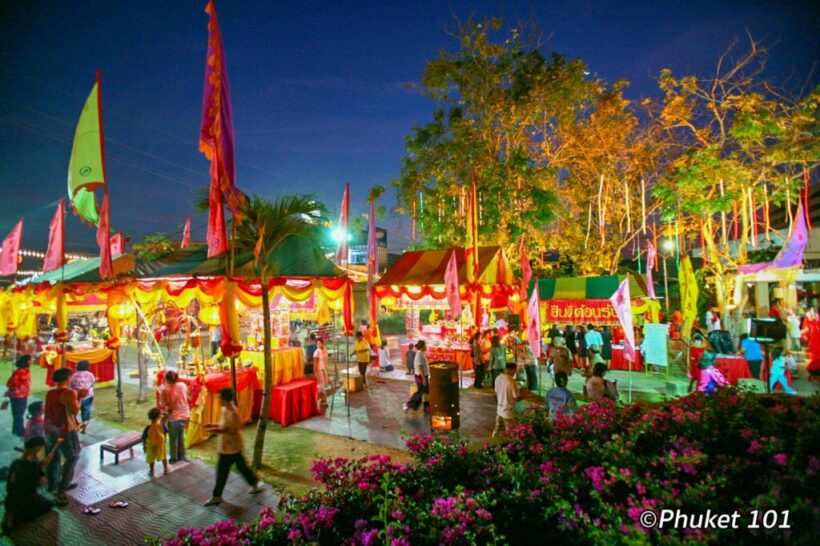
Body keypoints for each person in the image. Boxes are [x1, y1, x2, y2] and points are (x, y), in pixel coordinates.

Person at [204, 388, 263, 506]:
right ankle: (255, 483)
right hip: (229, 447)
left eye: (220, 398)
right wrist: (212, 425)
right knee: (242, 467)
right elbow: (223, 426)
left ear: (225, 400)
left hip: (231, 448)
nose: (218, 400)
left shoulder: (233, 413)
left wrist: (213, 429)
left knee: (222, 472)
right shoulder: (225, 409)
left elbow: (228, 429)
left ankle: (217, 496)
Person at [2, 436, 56, 531]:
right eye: (41, 447)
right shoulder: (33, 466)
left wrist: (41, 465)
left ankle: (11, 513)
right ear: (37, 448)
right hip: (25, 499)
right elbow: (42, 483)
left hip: (10, 499)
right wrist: (43, 468)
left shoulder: (16, 462)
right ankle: (18, 516)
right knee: (49, 505)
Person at [44, 368, 80, 503]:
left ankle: (52, 485)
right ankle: (62, 488)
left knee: (54, 457)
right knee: (72, 457)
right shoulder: (69, 393)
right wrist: (78, 397)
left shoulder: (50, 393)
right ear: (67, 378)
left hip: (51, 429)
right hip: (65, 430)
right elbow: (74, 411)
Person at [160, 370, 190, 464]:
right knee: (181, 436)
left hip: (174, 417)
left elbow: (164, 403)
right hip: (185, 414)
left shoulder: (165, 390)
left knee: (173, 438)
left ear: (167, 379)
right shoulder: (182, 385)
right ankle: (182, 455)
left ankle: (174, 458)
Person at [493, 362, 523, 437]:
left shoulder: (498, 378)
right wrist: (523, 395)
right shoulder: (511, 382)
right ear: (513, 370)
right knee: (511, 433)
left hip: (499, 409)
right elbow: (516, 397)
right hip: (508, 412)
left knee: (497, 431)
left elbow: (496, 392)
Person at [5, 355, 32, 437]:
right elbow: (10, 383)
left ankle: (16, 429)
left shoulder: (23, 371)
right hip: (18, 395)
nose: (32, 360)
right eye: (31, 359)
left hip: (21, 395)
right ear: (27, 361)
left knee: (18, 413)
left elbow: (10, 383)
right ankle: (19, 430)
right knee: (19, 413)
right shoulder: (22, 371)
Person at [69, 360, 96, 432]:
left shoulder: (74, 375)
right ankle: (84, 428)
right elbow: (92, 383)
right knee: (86, 410)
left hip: (77, 396)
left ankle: (73, 425)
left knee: (74, 411)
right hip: (88, 395)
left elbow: (71, 385)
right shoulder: (90, 374)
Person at [403, 340, 429, 413]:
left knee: (426, 391)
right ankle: (408, 404)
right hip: (420, 376)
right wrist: (424, 379)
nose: (426, 347)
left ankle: (426, 407)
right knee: (420, 392)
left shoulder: (421, 353)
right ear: (423, 346)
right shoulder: (419, 354)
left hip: (422, 376)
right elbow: (420, 367)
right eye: (425, 345)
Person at [143, 407, 168, 478]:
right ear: (159, 416)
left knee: (151, 458)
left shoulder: (148, 427)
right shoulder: (161, 425)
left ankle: (151, 471)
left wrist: (144, 446)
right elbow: (165, 432)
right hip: (161, 444)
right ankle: (165, 469)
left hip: (151, 445)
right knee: (163, 456)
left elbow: (144, 437)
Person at [314, 338, 329, 406]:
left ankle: (321, 399)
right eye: (317, 344)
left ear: (322, 343)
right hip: (319, 370)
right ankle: (324, 400)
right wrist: (315, 373)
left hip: (323, 369)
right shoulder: (317, 351)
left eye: (320, 343)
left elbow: (325, 360)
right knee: (321, 386)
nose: (318, 345)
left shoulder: (324, 350)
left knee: (323, 384)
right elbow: (315, 364)